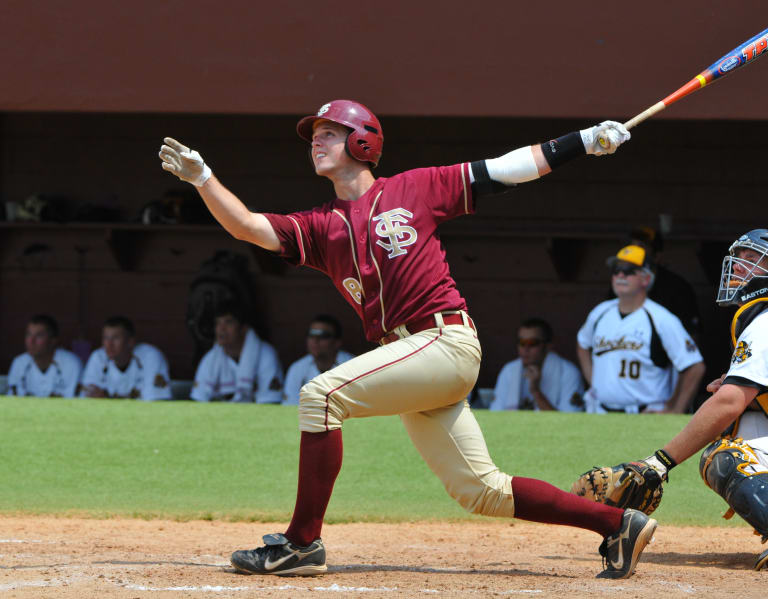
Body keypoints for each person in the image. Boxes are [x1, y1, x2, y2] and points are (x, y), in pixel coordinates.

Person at [159, 99, 655, 579]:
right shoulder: (320, 226)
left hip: (444, 341)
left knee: (320, 397)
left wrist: (585, 141)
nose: (316, 142)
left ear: (362, 141)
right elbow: (247, 226)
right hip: (410, 358)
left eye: (328, 133)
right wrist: (203, 178)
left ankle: (301, 543)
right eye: (314, 137)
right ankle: (616, 524)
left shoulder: (414, 188)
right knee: (481, 491)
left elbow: (505, 169)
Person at [581, 230, 768, 570]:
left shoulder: (765, 320)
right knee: (742, 425)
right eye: (739, 259)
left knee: (726, 456)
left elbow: (728, 402)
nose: (739, 268)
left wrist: (660, 462)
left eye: (752, 260)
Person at [577, 244, 705, 413]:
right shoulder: (600, 312)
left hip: (643, 414)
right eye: (616, 270)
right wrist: (594, 381)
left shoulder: (661, 318)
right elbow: (582, 344)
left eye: (629, 270)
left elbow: (694, 366)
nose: (620, 275)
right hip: (600, 411)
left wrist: (674, 410)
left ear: (646, 278)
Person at [190, 301, 283, 403]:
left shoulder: (266, 355)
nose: (221, 329)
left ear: (244, 328)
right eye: (218, 323)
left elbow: (271, 402)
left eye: (228, 322)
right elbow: (199, 400)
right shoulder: (210, 359)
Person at [490, 317, 583, 411]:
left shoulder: (568, 373)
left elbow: (570, 422)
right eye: (522, 342)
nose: (525, 348)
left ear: (548, 345)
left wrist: (535, 391)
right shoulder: (509, 370)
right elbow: (495, 413)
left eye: (532, 343)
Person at [626, 226, 701, 337]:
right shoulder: (621, 284)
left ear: (657, 256)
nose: (633, 254)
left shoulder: (678, 288)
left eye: (640, 248)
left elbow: (692, 337)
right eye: (631, 248)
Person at [80, 316, 172, 400]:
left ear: (130, 342)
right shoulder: (98, 357)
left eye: (115, 338)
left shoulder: (150, 356)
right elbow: (86, 399)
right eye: (105, 338)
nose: (109, 344)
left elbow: (156, 401)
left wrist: (106, 399)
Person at [283, 315, 354, 406]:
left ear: (337, 342)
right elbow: (290, 408)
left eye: (323, 336)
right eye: (311, 335)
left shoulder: (352, 366)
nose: (315, 340)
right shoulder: (297, 368)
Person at [7, 314, 82, 398]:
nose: (31, 341)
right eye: (28, 334)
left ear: (53, 340)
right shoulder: (19, 362)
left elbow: (74, 401)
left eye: (39, 335)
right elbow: (13, 399)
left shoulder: (71, 363)